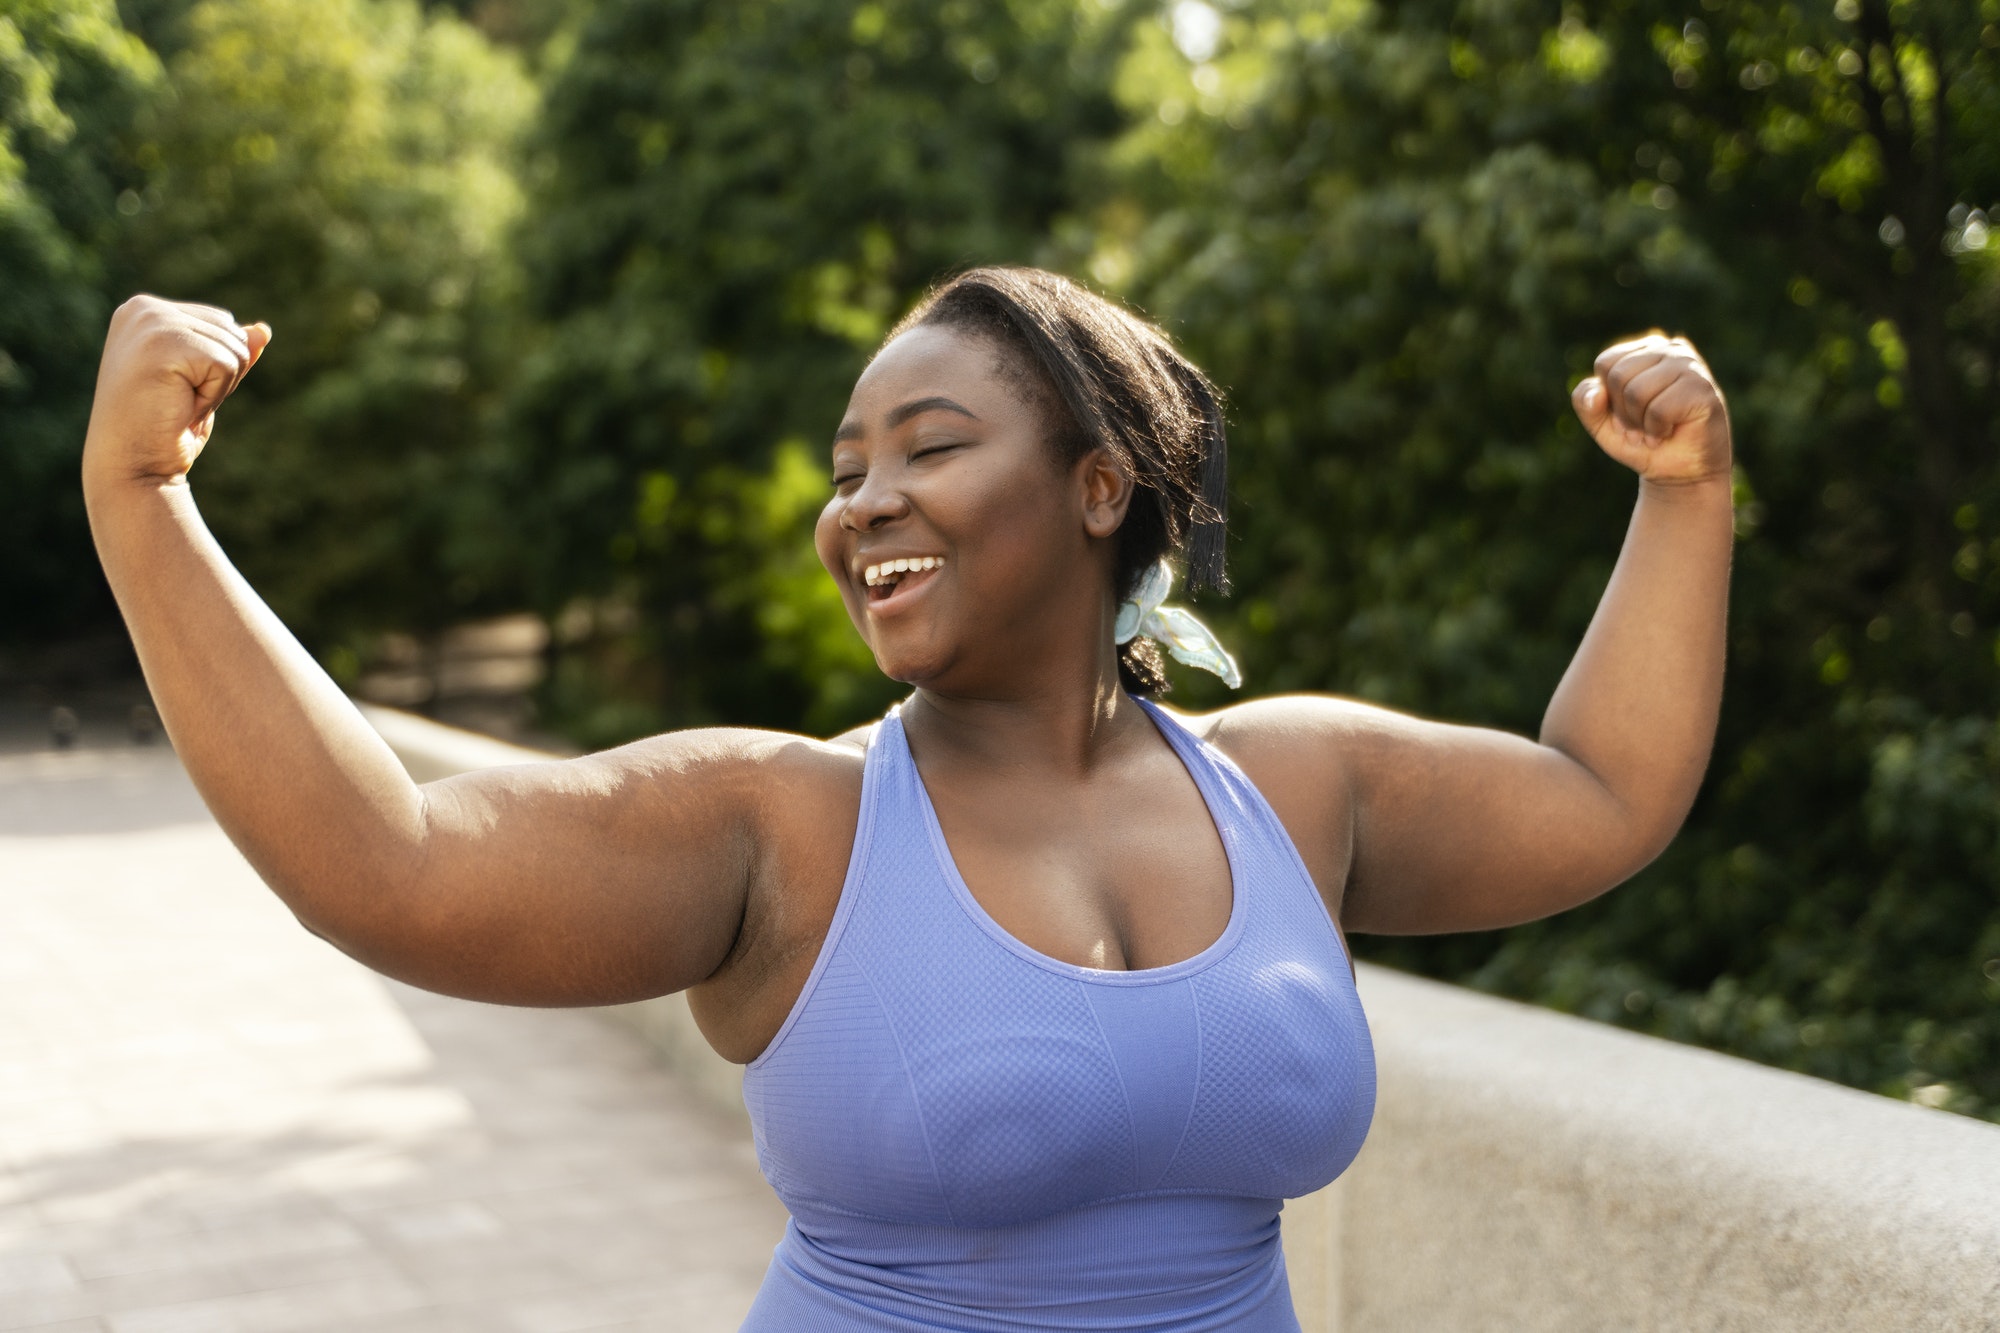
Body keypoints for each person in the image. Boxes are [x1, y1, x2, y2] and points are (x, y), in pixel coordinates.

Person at [81, 266, 1731, 1330]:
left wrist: (1684, 496)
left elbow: (1603, 792)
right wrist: (146, 501)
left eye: (926, 448)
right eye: (847, 466)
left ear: (1101, 487)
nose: (865, 501)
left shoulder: (1294, 791)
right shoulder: (784, 825)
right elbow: (395, 865)